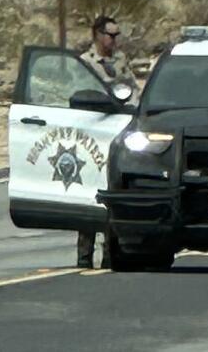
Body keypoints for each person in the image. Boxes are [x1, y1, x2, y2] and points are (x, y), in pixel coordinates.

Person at [75, 16, 133, 268]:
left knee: (113, 195)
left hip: (116, 134)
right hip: (90, 135)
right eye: (110, 35)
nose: (114, 40)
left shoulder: (120, 62)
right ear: (97, 35)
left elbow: (132, 90)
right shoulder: (85, 64)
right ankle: (84, 256)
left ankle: (111, 253)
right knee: (87, 194)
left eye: (117, 35)